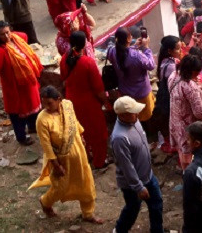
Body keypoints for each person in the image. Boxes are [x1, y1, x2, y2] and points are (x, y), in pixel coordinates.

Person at [30, 86, 103, 223]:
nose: (46, 107)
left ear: (59, 100)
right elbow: (46, 146)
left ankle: (88, 213)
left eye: (49, 103)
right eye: (44, 103)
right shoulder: (42, 120)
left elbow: (74, 122)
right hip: (61, 160)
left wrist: (81, 135)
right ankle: (45, 202)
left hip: (78, 151)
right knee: (61, 188)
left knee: (86, 182)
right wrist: (56, 166)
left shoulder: (67, 106)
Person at [110, 96, 163, 233]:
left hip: (148, 175)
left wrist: (147, 147)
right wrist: (139, 187)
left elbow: (138, 143)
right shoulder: (120, 138)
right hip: (133, 184)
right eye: (133, 112)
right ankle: (119, 230)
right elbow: (127, 167)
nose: (137, 114)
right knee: (132, 209)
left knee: (156, 204)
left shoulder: (134, 121)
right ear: (123, 115)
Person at [58, 31, 110, 169]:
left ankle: (86, 156)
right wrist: (105, 102)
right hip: (88, 104)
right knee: (98, 133)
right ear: (84, 44)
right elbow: (98, 88)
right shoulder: (88, 63)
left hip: (71, 101)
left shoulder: (64, 59)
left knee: (80, 132)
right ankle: (100, 161)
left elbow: (63, 78)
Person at [0, 20, 42, 146]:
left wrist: (12, 34)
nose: (6, 36)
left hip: (29, 84)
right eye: (2, 34)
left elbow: (24, 35)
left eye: (8, 32)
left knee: (33, 108)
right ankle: (21, 137)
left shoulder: (17, 39)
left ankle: (32, 127)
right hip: (14, 88)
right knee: (17, 114)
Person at [108, 27, 156, 121]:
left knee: (131, 118)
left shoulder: (112, 51)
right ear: (128, 39)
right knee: (146, 118)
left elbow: (123, 53)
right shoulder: (137, 56)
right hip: (141, 94)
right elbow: (151, 65)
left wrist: (133, 46)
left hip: (125, 93)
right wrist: (146, 48)